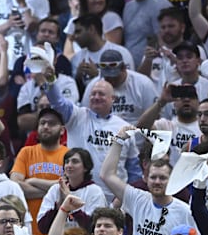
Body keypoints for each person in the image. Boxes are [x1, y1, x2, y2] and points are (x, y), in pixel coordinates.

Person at [101, 125, 201, 235]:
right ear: (146, 179)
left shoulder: (184, 211)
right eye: (153, 177)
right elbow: (106, 175)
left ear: (171, 180)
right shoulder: (138, 199)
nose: (157, 182)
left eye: (162, 178)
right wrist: (119, 141)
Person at [45, 73, 140, 204]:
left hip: (114, 200)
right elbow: (57, 102)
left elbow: (133, 169)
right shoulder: (76, 116)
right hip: (78, 196)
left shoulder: (125, 127)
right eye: (93, 94)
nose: (96, 97)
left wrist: (127, 196)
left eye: (101, 94)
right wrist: (50, 81)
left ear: (113, 99)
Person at [11, 108, 69, 235]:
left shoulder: (68, 154)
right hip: (28, 230)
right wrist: (54, 191)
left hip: (58, 233)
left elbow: (68, 187)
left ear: (62, 130)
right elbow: (15, 185)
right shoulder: (26, 152)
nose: (46, 127)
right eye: (42, 123)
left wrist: (32, 181)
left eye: (52, 123)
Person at [80, 50, 159, 125]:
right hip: (103, 134)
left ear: (124, 68)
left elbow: (156, 117)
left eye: (114, 76)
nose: (111, 80)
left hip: (135, 133)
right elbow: (85, 117)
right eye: (107, 77)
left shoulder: (143, 83)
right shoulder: (94, 86)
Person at [37, 148, 105, 234]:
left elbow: (93, 228)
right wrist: (58, 206)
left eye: (75, 162)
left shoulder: (95, 191)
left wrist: (71, 203)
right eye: (67, 162)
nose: (69, 165)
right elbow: (42, 228)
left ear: (86, 167)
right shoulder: (55, 189)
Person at [123, 0, 173, 67]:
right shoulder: (128, 6)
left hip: (152, 70)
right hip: (130, 69)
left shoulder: (161, 5)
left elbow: (165, 42)